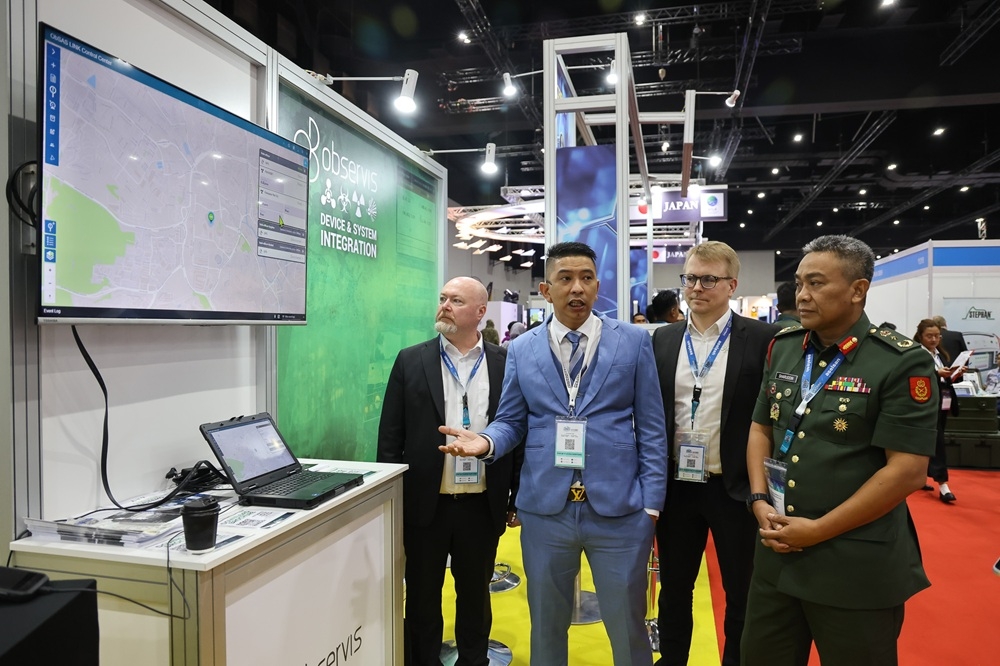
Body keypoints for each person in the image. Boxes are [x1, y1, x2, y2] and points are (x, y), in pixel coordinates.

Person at [439, 241, 668, 666]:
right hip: (546, 512)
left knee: (628, 628)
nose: (576, 288)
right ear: (546, 290)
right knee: (545, 627)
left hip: (620, 512)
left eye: (585, 278)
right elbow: (511, 420)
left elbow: (652, 427)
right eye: (565, 279)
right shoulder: (522, 349)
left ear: (598, 287)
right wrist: (486, 442)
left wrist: (651, 505)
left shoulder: (633, 342)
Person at [741, 235, 938, 665]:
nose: (802, 295)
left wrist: (818, 530)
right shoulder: (786, 347)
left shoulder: (900, 361)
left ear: (858, 290)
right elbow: (761, 428)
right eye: (798, 283)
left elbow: (906, 471)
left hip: (853, 563)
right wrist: (758, 499)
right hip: (777, 557)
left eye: (815, 283)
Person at [377, 276, 523, 666]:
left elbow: (518, 431)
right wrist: (391, 501)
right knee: (423, 595)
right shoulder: (411, 360)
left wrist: (516, 494)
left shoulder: (504, 362)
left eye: (455, 300)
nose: (444, 305)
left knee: (474, 595)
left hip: (482, 503)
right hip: (426, 503)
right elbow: (390, 437)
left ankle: (473, 660)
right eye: (442, 298)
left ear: (479, 312)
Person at [651, 241, 778, 666]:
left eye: (709, 279)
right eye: (690, 278)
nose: (697, 287)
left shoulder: (764, 338)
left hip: (736, 488)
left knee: (742, 593)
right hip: (676, 487)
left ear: (731, 285)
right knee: (674, 590)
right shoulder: (662, 341)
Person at [913, 318, 961, 503]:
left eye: (937, 336)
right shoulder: (916, 354)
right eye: (929, 336)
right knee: (937, 441)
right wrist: (936, 374)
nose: (934, 340)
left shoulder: (937, 354)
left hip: (943, 401)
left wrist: (954, 373)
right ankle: (943, 484)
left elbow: (943, 378)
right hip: (926, 402)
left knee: (933, 439)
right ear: (920, 336)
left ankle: (922, 477)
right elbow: (915, 378)